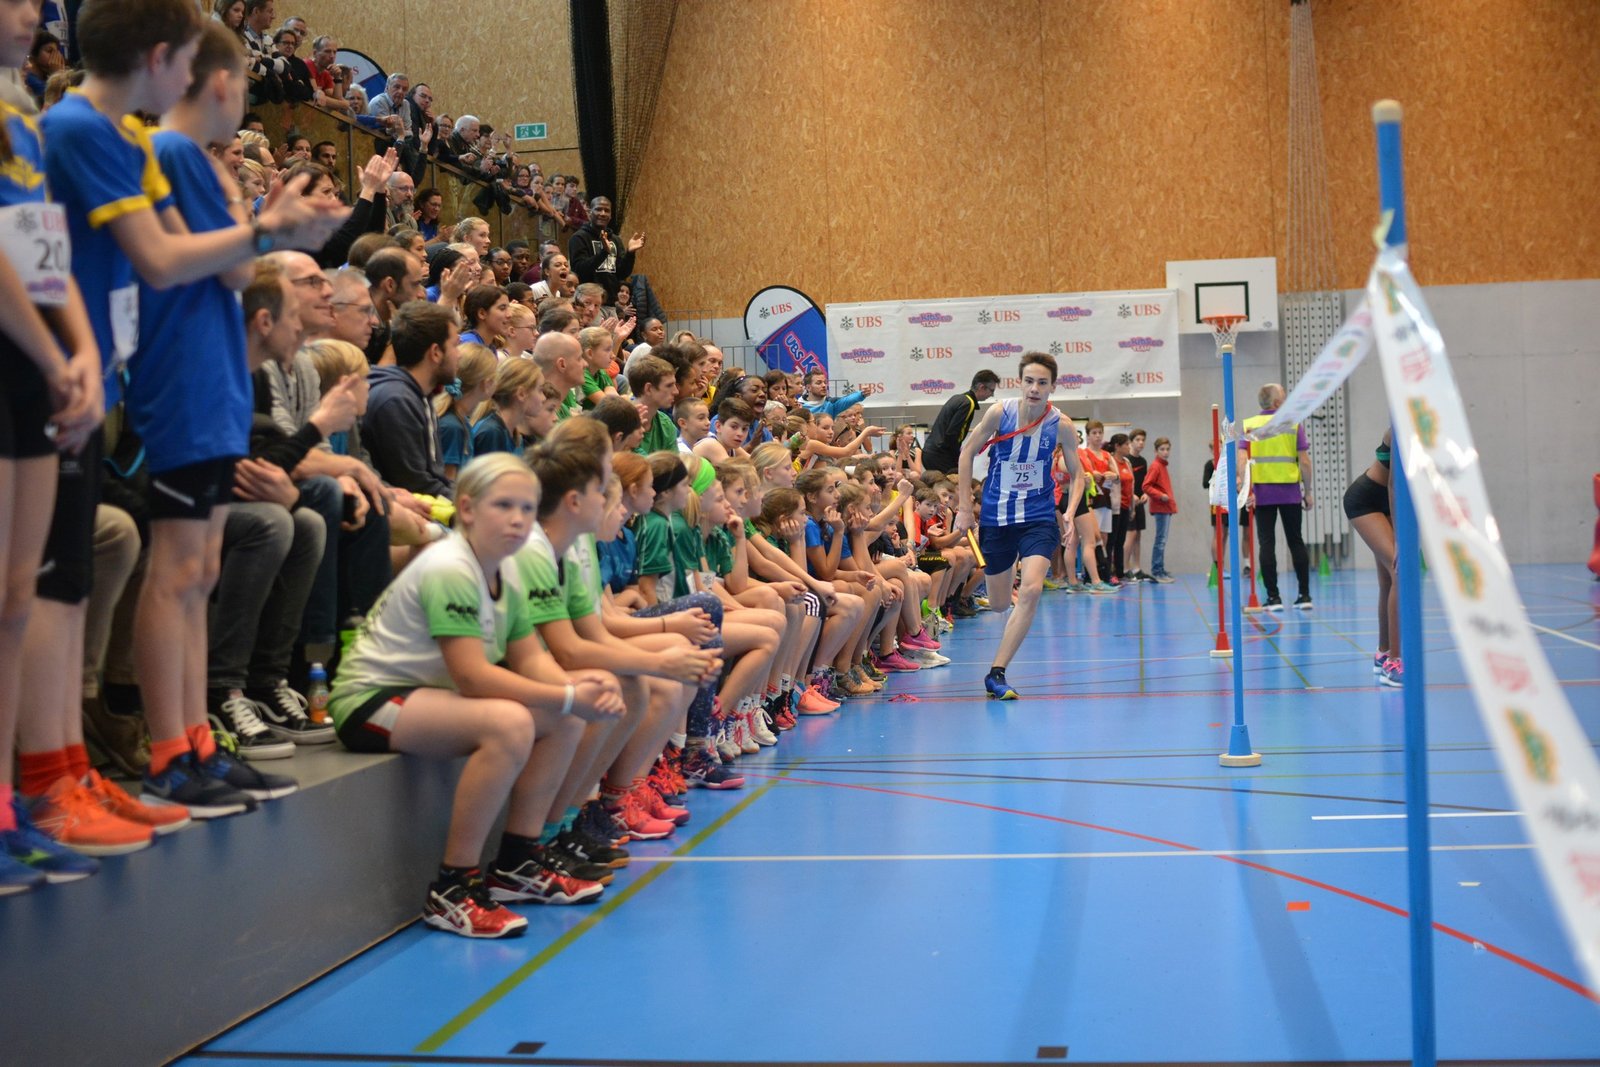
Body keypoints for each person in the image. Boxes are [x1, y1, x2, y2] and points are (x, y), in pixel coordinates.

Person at [330, 453, 626, 935]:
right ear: (466, 509)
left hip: (427, 697)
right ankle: (453, 887)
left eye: (527, 508)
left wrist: (577, 689)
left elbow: (529, 659)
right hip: (372, 701)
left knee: (565, 719)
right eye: (503, 505)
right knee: (511, 723)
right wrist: (569, 695)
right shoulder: (451, 566)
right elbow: (472, 677)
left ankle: (516, 863)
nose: (518, 519)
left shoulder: (503, 570)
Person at [955, 353, 1079, 701]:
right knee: (998, 604)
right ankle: (1005, 572)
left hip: (1039, 518)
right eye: (1029, 381)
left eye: (1042, 382)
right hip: (997, 519)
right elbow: (966, 453)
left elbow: (1078, 473)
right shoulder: (1000, 413)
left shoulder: (1061, 425)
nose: (1035, 388)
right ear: (1020, 383)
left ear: (1053, 387)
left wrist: (1069, 512)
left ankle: (997, 672)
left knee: (1032, 590)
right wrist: (965, 507)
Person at [362, 300, 458, 497]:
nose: (460, 355)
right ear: (436, 352)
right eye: (455, 345)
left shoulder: (416, 394)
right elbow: (416, 486)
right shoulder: (396, 402)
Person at [1244, 383, 1313, 610]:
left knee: (1266, 544)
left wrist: (1245, 491)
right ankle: (1304, 596)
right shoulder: (1293, 424)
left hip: (1262, 494)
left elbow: (1242, 461)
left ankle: (1273, 598)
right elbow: (1304, 462)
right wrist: (1308, 491)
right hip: (1290, 493)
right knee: (1296, 541)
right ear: (1276, 403)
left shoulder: (1250, 425)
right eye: (1284, 397)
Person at [1343, 431, 1400, 686]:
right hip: (1367, 501)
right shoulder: (1400, 431)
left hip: (1388, 503)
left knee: (1389, 580)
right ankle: (1396, 661)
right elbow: (1394, 486)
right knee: (1400, 572)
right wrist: (1400, 539)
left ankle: (1384, 652)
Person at [922, 369, 998, 473]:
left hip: (929, 452)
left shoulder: (957, 398)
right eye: (991, 391)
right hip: (939, 455)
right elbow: (953, 434)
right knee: (957, 481)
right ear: (981, 387)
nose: (992, 395)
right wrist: (958, 459)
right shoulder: (968, 403)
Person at [568, 196, 641, 303]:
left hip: (611, 302)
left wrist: (630, 253)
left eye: (607, 211)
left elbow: (622, 273)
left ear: (610, 216)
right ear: (590, 212)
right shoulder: (579, 238)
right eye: (598, 209)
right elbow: (579, 270)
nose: (603, 213)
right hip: (587, 301)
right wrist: (603, 253)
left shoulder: (616, 240)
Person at [1144, 437, 1176, 582]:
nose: (1165, 452)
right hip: (1160, 507)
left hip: (1165, 507)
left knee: (1162, 540)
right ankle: (1157, 571)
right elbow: (1146, 486)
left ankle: (1160, 569)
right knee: (1160, 540)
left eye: (1167, 449)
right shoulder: (1156, 466)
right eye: (1162, 449)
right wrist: (1161, 495)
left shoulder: (1162, 466)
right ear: (1156, 451)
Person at [1123, 428, 1150, 581]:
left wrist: (1145, 494)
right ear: (1131, 442)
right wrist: (1131, 495)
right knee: (1130, 535)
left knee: (1138, 535)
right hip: (1129, 503)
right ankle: (1124, 568)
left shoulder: (1143, 461)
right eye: (1137, 440)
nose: (1141, 443)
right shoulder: (1126, 460)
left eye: (1143, 440)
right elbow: (1125, 482)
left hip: (1140, 503)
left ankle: (1137, 568)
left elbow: (1145, 483)